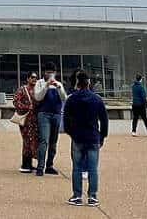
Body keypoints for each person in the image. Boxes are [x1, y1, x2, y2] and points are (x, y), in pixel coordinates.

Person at [63, 70, 108, 207]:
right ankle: (92, 196)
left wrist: (71, 133)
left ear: (78, 83)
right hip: (93, 136)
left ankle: (77, 196)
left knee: (77, 168)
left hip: (78, 136)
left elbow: (66, 120)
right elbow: (104, 120)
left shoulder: (71, 99)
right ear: (89, 83)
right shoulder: (97, 99)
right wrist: (102, 136)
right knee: (93, 168)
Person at [33, 64, 67, 175]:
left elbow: (64, 98)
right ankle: (40, 166)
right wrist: (46, 86)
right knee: (44, 140)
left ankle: (50, 165)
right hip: (44, 114)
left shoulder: (59, 84)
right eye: (47, 72)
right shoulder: (39, 83)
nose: (49, 74)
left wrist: (58, 87)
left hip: (56, 114)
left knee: (53, 141)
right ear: (44, 72)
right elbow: (38, 97)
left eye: (52, 72)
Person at [13, 72, 40, 173]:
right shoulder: (22, 89)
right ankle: (25, 164)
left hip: (35, 120)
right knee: (27, 141)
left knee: (33, 141)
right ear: (28, 78)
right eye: (32, 77)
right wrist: (27, 107)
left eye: (36, 78)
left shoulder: (37, 89)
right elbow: (16, 102)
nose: (34, 79)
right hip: (25, 120)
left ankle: (29, 163)